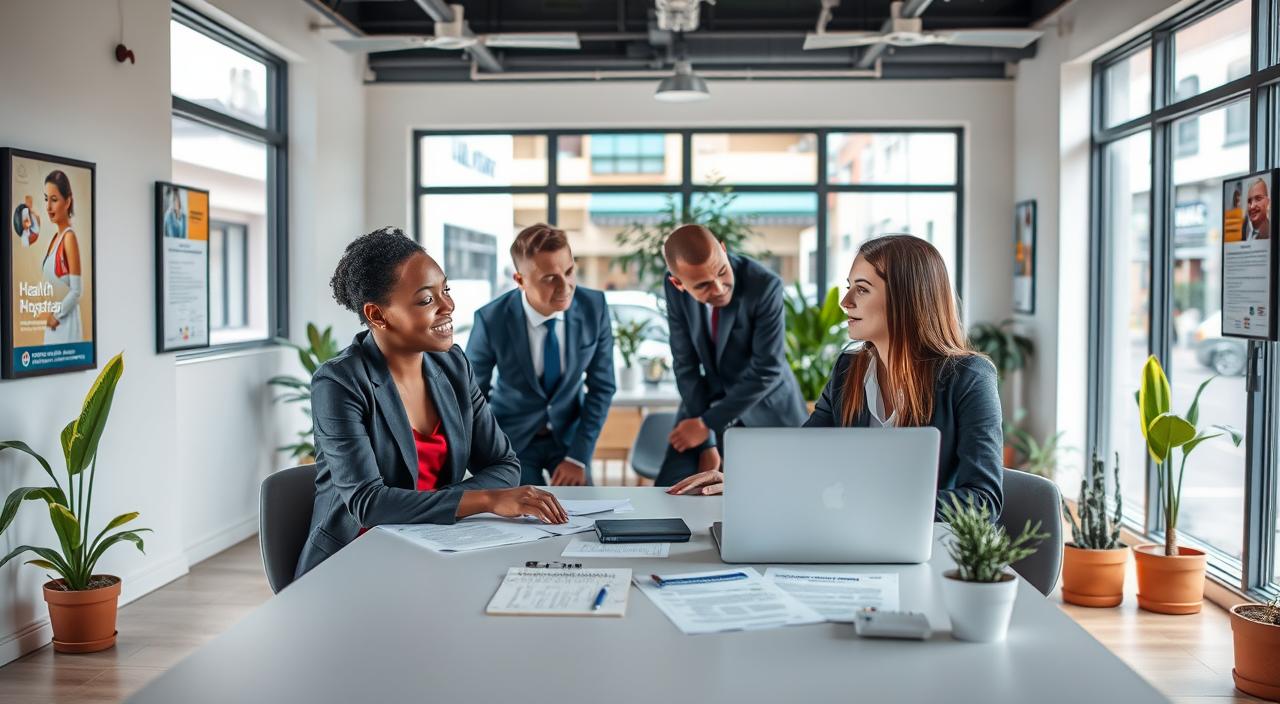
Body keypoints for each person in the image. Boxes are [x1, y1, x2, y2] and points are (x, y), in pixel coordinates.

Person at [294, 227, 568, 579]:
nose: (448, 306)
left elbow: (503, 464)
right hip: (355, 559)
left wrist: (446, 503)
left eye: (445, 291)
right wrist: (486, 499)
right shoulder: (339, 382)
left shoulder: (453, 365)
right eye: (426, 300)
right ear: (377, 315)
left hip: (436, 545)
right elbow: (369, 504)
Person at [669, 235, 1005, 521]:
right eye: (849, 287)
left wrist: (868, 499)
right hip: (850, 539)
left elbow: (983, 503)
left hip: (933, 552)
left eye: (862, 289)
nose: (845, 302)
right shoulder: (849, 369)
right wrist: (742, 481)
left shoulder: (969, 378)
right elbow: (804, 456)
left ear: (906, 298)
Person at [656, 224, 807, 487]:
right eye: (703, 285)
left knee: (774, 495)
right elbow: (685, 364)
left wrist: (707, 424)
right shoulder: (674, 291)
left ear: (724, 250)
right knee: (672, 488)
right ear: (678, 284)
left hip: (765, 407)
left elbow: (767, 369)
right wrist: (707, 440)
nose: (719, 288)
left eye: (722, 272)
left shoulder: (765, 285)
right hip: (705, 402)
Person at [466, 223, 617, 486]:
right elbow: (471, 396)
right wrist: (493, 453)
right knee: (526, 511)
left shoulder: (594, 308)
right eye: (550, 278)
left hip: (570, 441)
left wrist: (578, 457)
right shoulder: (491, 319)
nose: (565, 286)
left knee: (583, 509)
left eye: (569, 272)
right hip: (512, 443)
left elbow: (602, 387)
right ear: (520, 280)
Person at [41, 170, 84, 344]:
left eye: (54, 199)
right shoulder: (54, 239)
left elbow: (76, 291)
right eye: (46, 199)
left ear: (67, 202)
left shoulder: (69, 238)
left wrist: (56, 316)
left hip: (66, 328)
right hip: (53, 327)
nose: (48, 207)